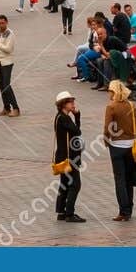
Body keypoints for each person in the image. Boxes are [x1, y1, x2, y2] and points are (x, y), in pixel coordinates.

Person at [102, 79, 136, 222]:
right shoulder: (131, 105)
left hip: (117, 147)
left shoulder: (111, 107)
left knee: (119, 179)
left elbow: (108, 127)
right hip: (131, 146)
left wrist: (106, 141)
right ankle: (129, 209)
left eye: (109, 91)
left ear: (113, 91)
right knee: (129, 179)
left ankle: (123, 211)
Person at [52, 91, 86, 223]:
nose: (73, 104)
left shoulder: (59, 116)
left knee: (65, 184)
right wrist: (77, 115)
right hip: (69, 157)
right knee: (75, 184)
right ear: (63, 104)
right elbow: (77, 131)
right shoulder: (64, 118)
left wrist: (75, 116)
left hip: (62, 156)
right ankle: (70, 213)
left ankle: (61, 211)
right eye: (70, 102)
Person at [0, 14, 20, 118]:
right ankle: (6, 108)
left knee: (6, 86)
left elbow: (8, 49)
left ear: (6, 22)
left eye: (3, 23)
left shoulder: (10, 34)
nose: (1, 25)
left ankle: (16, 108)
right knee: (2, 86)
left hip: (7, 62)